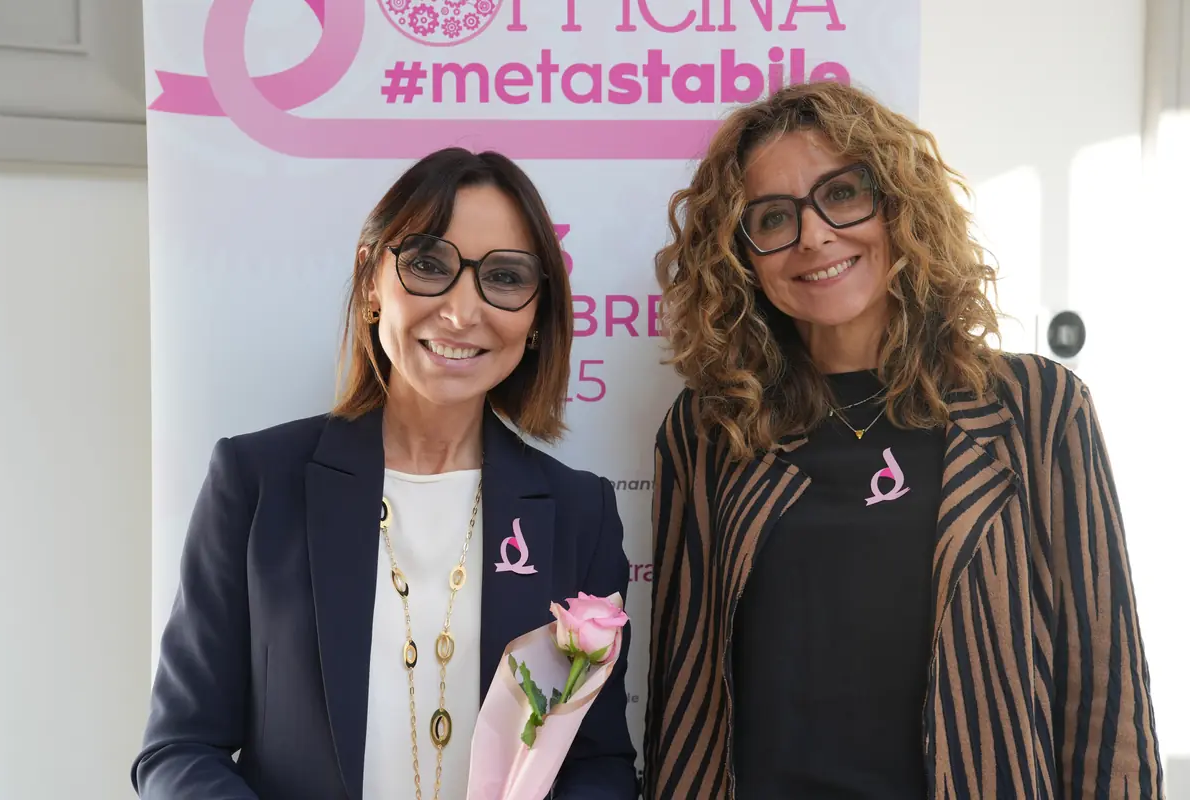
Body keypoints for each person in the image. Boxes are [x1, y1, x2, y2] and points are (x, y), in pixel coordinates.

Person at [642, 83, 1163, 799]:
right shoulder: (711, 426)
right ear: (742, 258)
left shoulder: (1039, 407)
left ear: (898, 206)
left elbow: (1107, 688)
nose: (813, 236)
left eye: (842, 194)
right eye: (773, 217)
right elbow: (685, 688)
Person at [132, 148, 638, 799]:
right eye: (428, 265)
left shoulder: (579, 511)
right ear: (371, 279)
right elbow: (179, 748)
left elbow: (599, 763)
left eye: (505, 277)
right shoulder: (257, 481)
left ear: (537, 315)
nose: (461, 311)